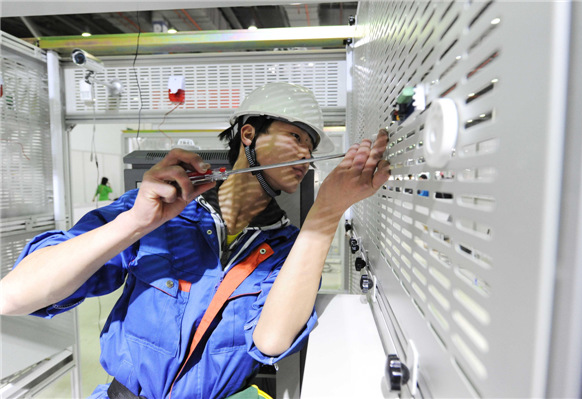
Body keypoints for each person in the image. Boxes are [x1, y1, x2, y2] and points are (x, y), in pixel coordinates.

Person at [0, 82, 390, 399]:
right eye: (295, 136)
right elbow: (13, 296)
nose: (306, 155)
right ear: (249, 134)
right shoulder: (159, 216)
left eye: (311, 147)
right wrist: (136, 221)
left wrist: (326, 215)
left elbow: (270, 342)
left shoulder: (288, 248)